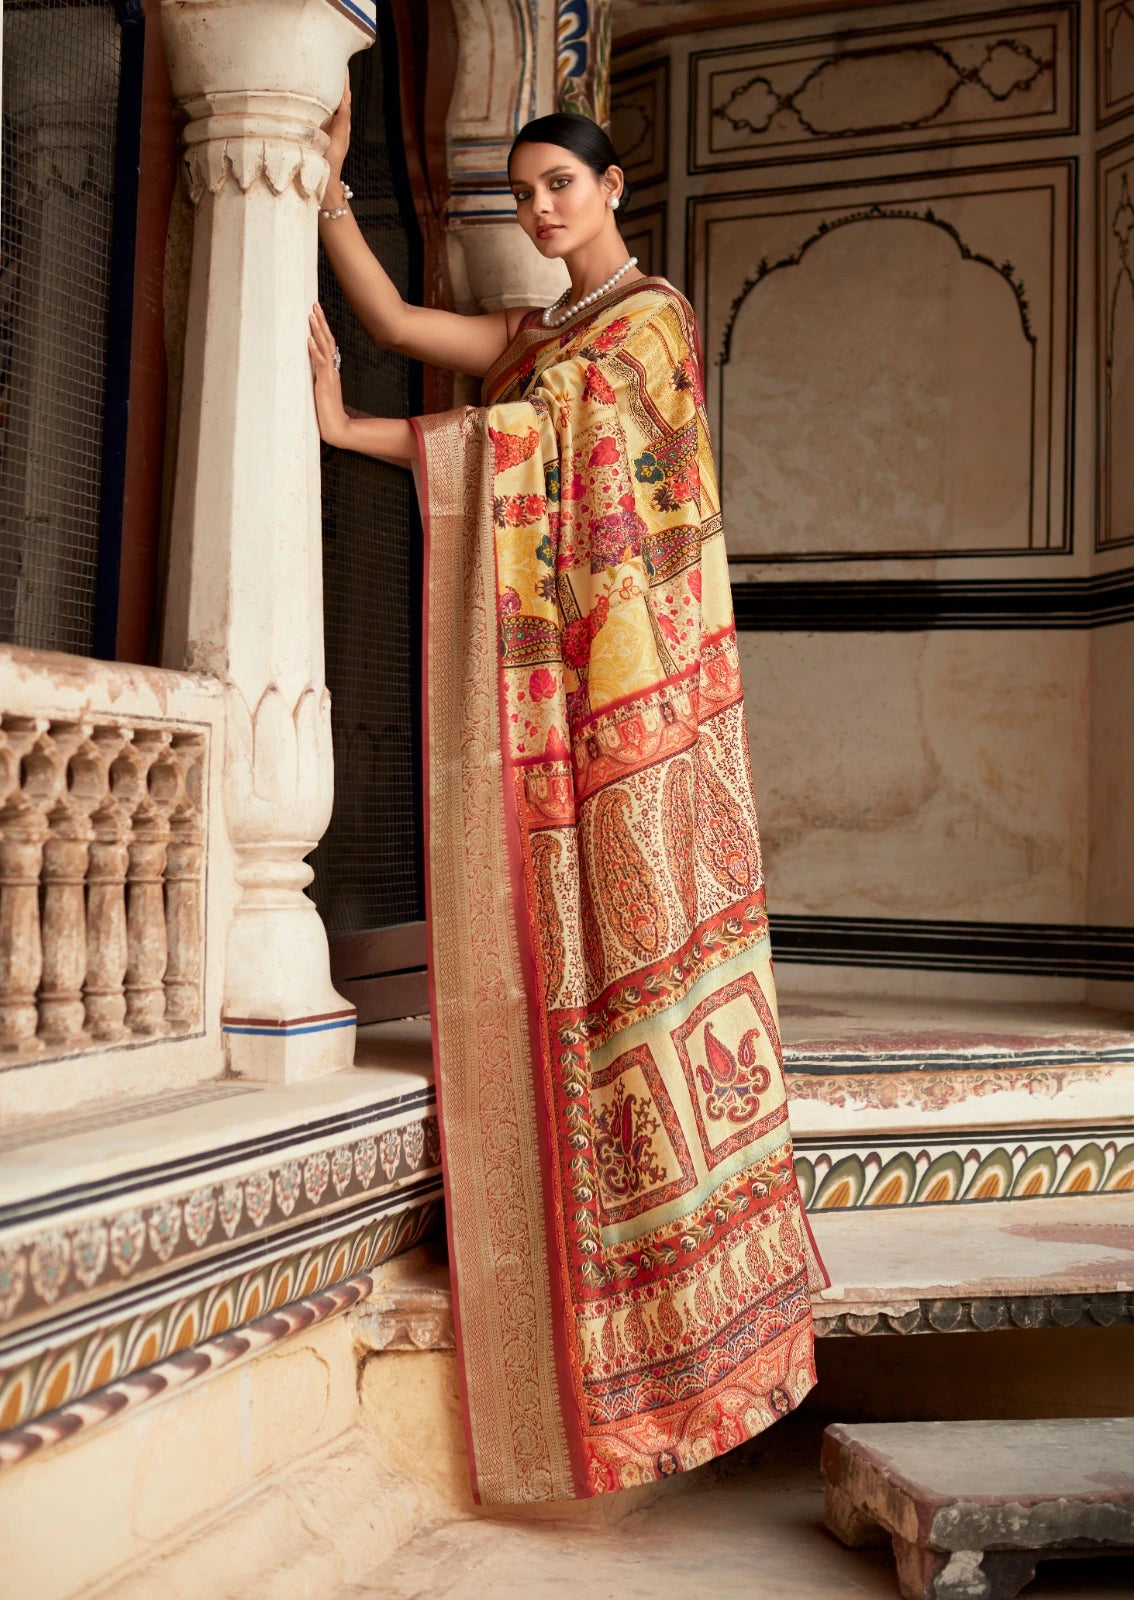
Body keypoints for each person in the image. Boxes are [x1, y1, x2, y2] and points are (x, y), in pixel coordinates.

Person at [310, 87, 827, 1507]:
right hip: (582, 694)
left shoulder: (642, 325)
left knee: (643, 946)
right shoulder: (546, 339)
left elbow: (546, 455)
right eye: (524, 192)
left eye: (558, 185)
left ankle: (684, 1331)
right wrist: (328, 198)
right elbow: (419, 336)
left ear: (608, 187)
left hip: (633, 688)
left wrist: (380, 425)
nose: (539, 210)